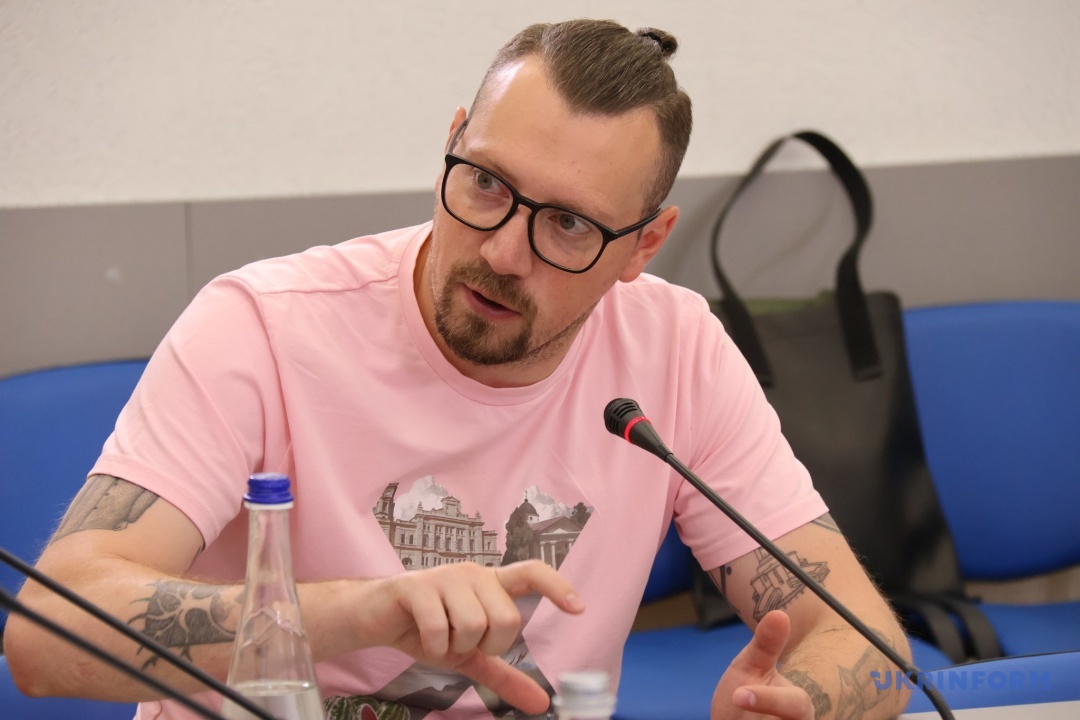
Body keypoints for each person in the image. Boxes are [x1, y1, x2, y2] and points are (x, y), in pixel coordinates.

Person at [6, 18, 911, 720]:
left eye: (569, 225)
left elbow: (867, 644)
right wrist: (358, 614)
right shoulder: (262, 328)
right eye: (485, 183)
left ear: (644, 245)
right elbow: (48, 636)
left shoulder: (676, 353)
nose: (503, 253)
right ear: (452, 140)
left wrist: (803, 702)